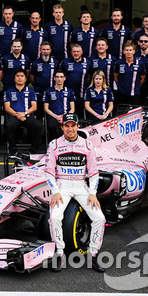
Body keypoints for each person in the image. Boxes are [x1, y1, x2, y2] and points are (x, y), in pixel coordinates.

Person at [45, 113, 105, 273]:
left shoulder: (87, 145)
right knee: (54, 217)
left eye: (73, 125)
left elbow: (93, 172)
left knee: (99, 218)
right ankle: (59, 253)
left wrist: (92, 192)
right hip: (62, 185)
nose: (70, 129)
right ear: (62, 127)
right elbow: (49, 171)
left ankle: (93, 253)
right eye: (67, 126)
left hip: (81, 185)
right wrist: (55, 191)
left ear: (78, 126)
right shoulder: (54, 145)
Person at [2, 69, 40, 155]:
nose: (19, 78)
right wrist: (17, 115)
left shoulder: (31, 91)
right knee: (9, 126)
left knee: (38, 126)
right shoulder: (9, 91)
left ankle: (33, 150)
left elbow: (34, 107)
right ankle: (13, 150)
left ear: (25, 79)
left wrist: (24, 114)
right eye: (17, 76)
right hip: (14, 116)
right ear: (14, 78)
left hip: (28, 116)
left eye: (22, 76)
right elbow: (7, 108)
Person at [43, 68, 75, 141]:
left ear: (64, 78)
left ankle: (67, 143)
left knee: (70, 126)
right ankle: (54, 144)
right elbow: (46, 108)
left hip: (66, 115)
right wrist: (57, 117)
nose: (59, 79)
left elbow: (72, 109)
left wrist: (64, 117)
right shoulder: (48, 91)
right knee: (51, 126)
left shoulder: (69, 91)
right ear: (54, 78)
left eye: (61, 77)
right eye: (57, 77)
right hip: (53, 116)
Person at [113, 41, 144, 108]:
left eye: (130, 50)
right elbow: (116, 77)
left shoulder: (139, 63)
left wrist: (135, 87)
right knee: (122, 114)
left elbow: (142, 78)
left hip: (135, 94)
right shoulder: (119, 63)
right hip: (121, 94)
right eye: (126, 50)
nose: (128, 52)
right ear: (123, 52)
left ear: (134, 51)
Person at [61, 44, 89, 115]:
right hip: (68, 94)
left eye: (77, 51)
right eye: (74, 51)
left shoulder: (87, 62)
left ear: (81, 52)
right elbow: (60, 76)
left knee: (80, 114)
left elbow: (89, 76)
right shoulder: (65, 62)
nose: (76, 53)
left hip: (81, 93)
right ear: (71, 52)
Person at [30, 42, 57, 108]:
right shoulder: (35, 63)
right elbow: (31, 76)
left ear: (50, 50)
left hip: (52, 91)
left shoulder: (55, 62)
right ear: (40, 50)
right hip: (39, 91)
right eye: (44, 49)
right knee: (39, 112)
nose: (46, 51)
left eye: (47, 49)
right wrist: (37, 85)